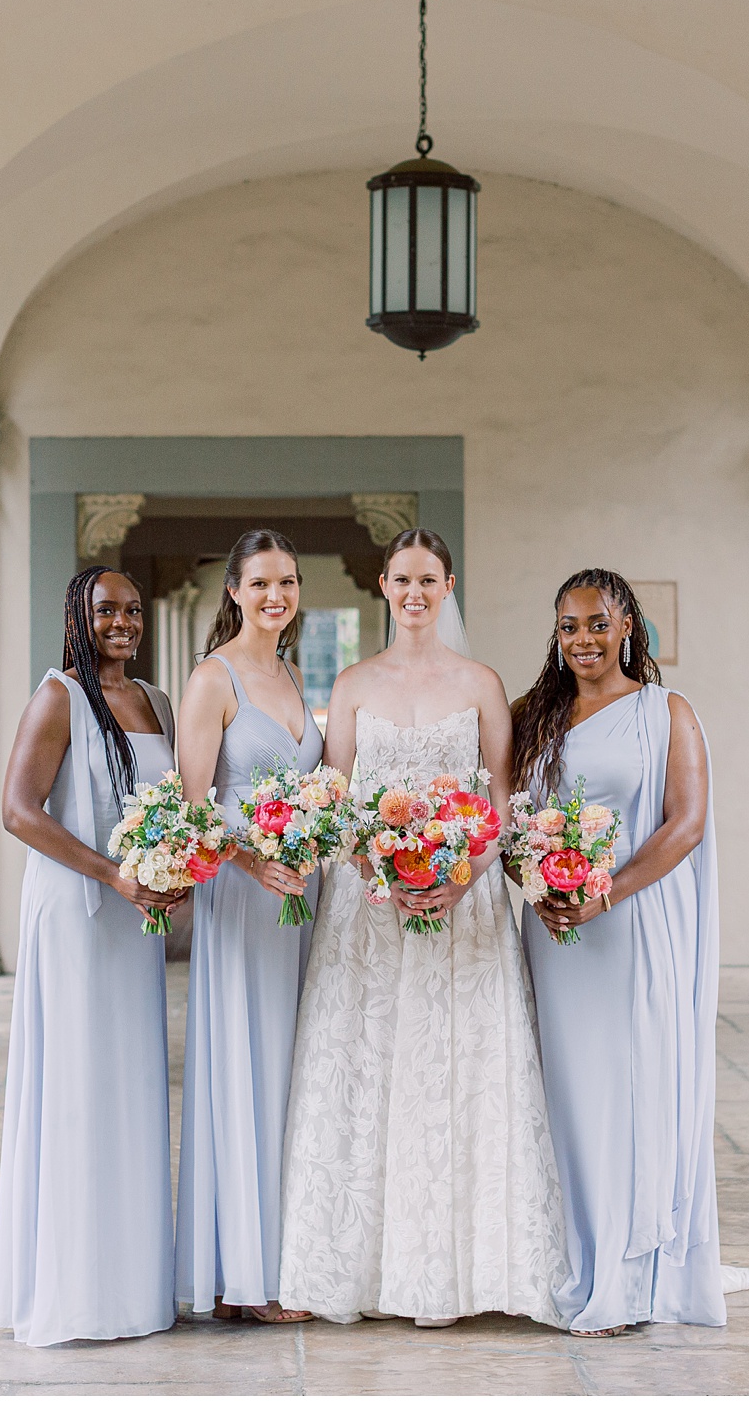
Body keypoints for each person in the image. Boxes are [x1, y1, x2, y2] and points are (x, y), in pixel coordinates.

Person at [279, 528, 569, 1330]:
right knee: (369, 1068)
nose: (414, 593)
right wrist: (382, 871)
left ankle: (463, 1272)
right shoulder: (353, 683)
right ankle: (361, 1269)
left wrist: (461, 875)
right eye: (402, 579)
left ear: (448, 586)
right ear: (383, 585)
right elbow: (338, 802)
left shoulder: (481, 683)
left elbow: (501, 799)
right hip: (369, 908)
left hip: (463, 900)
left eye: (427, 580)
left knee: (457, 1070)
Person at [509, 569, 730, 1338]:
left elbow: (685, 822)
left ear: (627, 623)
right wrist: (535, 883)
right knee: (569, 1096)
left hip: (635, 927)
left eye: (598, 623)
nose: (584, 639)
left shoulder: (667, 712)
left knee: (632, 1089)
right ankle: (577, 1256)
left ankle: (631, 1277)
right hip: (556, 935)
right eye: (569, 626)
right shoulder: (533, 715)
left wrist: (606, 893)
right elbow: (508, 820)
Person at [0, 567, 183, 1345]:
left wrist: (173, 870)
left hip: (135, 923)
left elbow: (168, 808)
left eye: (133, 610)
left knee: (130, 1089)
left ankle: (132, 1290)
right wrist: (113, 874)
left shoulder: (157, 702)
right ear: (78, 612)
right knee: (76, 1088)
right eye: (107, 609)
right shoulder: (58, 695)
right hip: (77, 913)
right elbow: (18, 810)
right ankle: (71, 1293)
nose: (123, 621)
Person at [174, 529, 325, 1323]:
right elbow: (191, 806)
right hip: (244, 894)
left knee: (290, 1067)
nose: (276, 595)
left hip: (299, 893)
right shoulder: (214, 678)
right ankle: (248, 1278)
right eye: (261, 582)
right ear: (233, 589)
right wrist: (252, 861)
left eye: (287, 582)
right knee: (248, 1062)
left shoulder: (294, 675)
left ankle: (262, 1261)